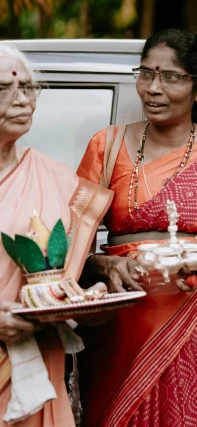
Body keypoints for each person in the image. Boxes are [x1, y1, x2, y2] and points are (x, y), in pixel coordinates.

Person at [75, 29, 197, 427]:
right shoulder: (106, 146)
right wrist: (105, 266)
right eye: (146, 74)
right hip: (119, 323)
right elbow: (70, 247)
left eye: (171, 77)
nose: (153, 89)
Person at [0, 44, 113, 426]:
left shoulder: (58, 180)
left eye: (28, 88)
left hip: (40, 359)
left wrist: (87, 299)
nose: (22, 100)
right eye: (4, 89)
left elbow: (62, 281)